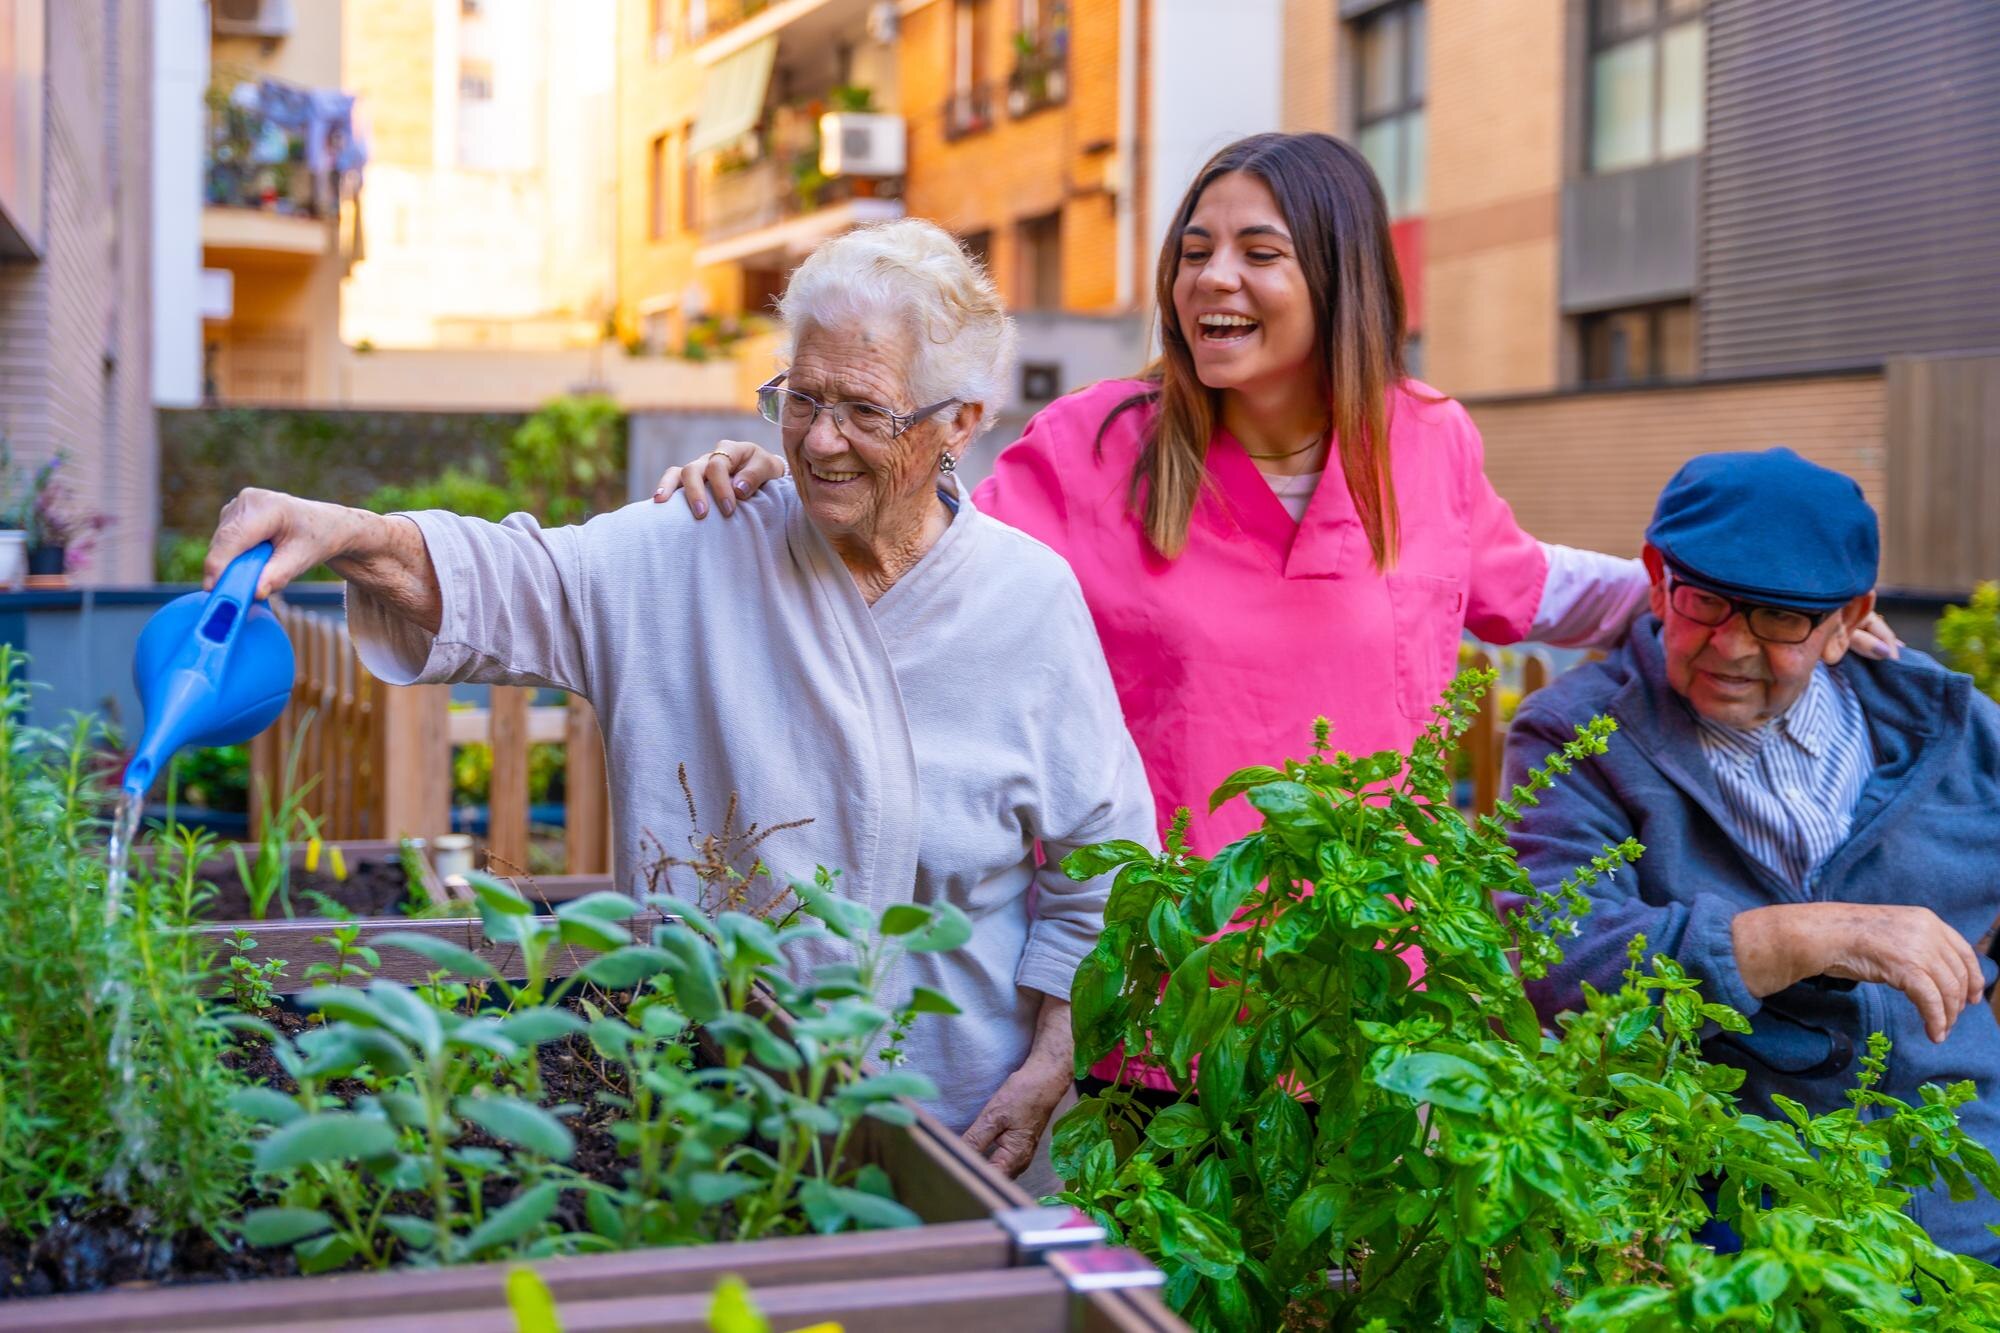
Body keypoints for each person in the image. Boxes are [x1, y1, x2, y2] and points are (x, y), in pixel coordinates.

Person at [653, 133, 1901, 1097]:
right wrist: (785, 477)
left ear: (1339, 273)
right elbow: (916, 559)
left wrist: (1742, 608)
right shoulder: (1093, 445)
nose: (1211, 278)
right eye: (1193, 250)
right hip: (1144, 986)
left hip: (1366, 987)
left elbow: (1532, 586)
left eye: (1256, 251)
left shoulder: (1426, 439)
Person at [197, 219, 1158, 1177]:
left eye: (865, 411)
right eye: (800, 396)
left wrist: (1047, 1070)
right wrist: (342, 530)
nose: (821, 440)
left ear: (961, 421)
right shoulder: (702, 541)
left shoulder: (1026, 603)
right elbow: (517, 579)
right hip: (707, 1112)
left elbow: (1106, 871)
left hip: (965, 1124)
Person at [1505, 447, 2000, 1258]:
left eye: (1778, 617)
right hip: (1724, 1221)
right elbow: (1562, 964)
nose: (1729, 645)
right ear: (1659, 578)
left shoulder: (1952, 729)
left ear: (1847, 620)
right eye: (1704, 601)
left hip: (1959, 1206)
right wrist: (1810, 936)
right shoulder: (1578, 738)